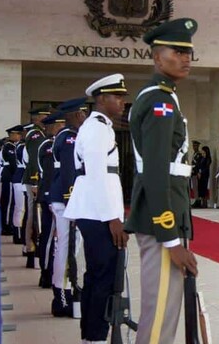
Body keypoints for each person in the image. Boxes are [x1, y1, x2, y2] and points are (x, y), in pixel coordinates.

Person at [125, 18, 199, 344]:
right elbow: (155, 171)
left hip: (166, 216)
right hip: (161, 223)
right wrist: (170, 239)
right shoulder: (160, 100)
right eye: (178, 51)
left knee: (165, 311)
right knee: (159, 317)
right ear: (157, 57)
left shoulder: (165, 96)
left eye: (189, 52)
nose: (186, 58)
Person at [64, 74, 130, 343]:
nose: (123, 102)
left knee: (100, 275)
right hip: (98, 213)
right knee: (102, 276)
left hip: (97, 211)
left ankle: (93, 336)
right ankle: (96, 337)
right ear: (101, 99)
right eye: (118, 97)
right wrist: (112, 217)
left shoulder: (101, 126)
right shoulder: (96, 128)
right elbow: (96, 174)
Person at [48, 97, 87, 318]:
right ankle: (61, 295)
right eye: (81, 114)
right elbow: (68, 174)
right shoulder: (69, 139)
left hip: (69, 201)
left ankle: (67, 288)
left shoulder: (71, 137)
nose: (83, 117)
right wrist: (72, 202)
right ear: (72, 116)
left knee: (71, 246)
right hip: (66, 201)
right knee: (66, 246)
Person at [37, 112, 65, 289]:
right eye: (60, 125)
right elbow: (48, 174)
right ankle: (46, 273)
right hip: (50, 195)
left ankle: (53, 271)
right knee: (48, 237)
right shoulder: (48, 146)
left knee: (58, 239)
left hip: (57, 195)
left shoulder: (60, 142)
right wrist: (48, 195)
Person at [22, 105, 51, 269]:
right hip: (34, 180)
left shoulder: (40, 133)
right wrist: (34, 181)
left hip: (37, 180)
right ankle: (31, 249)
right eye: (44, 116)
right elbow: (34, 160)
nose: (47, 119)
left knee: (34, 215)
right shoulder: (35, 135)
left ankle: (31, 248)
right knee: (34, 216)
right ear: (37, 118)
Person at [0, 125, 22, 237]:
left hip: (8, 177)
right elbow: (13, 163)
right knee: (7, 203)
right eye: (17, 134)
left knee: (10, 202)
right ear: (12, 135)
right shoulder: (9, 146)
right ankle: (6, 226)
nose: (19, 136)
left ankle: (7, 224)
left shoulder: (11, 146)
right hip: (9, 177)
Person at [191, 141, 205, 208]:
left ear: (198, 146)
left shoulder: (199, 154)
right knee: (195, 188)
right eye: (193, 146)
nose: (194, 147)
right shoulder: (195, 154)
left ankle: (198, 201)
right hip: (193, 172)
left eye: (195, 146)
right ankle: (196, 200)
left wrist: (198, 172)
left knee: (197, 187)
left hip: (196, 173)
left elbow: (199, 165)